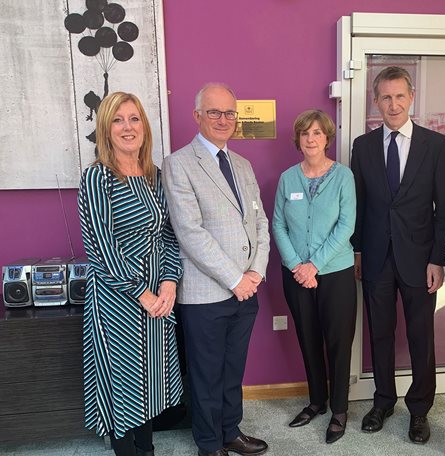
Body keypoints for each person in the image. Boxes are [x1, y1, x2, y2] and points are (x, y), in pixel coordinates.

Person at [161, 83, 270, 456]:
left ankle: (230, 431)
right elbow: (190, 232)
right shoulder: (177, 164)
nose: (223, 120)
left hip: (247, 290)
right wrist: (235, 278)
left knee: (232, 372)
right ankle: (209, 444)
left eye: (229, 113)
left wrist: (255, 273)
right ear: (197, 116)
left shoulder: (242, 164)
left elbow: (260, 224)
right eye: (214, 112)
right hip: (206, 292)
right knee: (207, 375)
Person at [351, 66, 445, 444]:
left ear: (411, 97)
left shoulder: (435, 145)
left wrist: (437, 259)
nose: (392, 104)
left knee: (420, 336)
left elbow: (444, 208)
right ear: (376, 102)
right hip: (376, 256)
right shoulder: (362, 147)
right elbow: (359, 204)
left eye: (399, 96)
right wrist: (358, 249)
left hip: (420, 259)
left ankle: (420, 410)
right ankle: (383, 401)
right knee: (379, 333)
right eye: (385, 97)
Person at [78, 92, 184, 456]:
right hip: (118, 302)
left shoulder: (154, 177)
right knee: (124, 385)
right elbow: (101, 248)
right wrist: (144, 294)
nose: (128, 127)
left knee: (149, 382)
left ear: (144, 126)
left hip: (157, 298)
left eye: (134, 118)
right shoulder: (97, 178)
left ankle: (147, 450)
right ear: (106, 130)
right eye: (118, 120)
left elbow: (169, 235)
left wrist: (169, 282)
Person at [272, 110, 357, 444]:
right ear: (298, 139)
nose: (311, 139)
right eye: (305, 133)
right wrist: (297, 265)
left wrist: (314, 266)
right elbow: (277, 223)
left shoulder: (344, 177)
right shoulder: (287, 179)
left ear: (327, 138)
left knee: (337, 342)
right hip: (295, 275)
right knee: (308, 338)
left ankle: (339, 409)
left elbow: (346, 226)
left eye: (318, 133)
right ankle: (316, 401)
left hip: (334, 273)